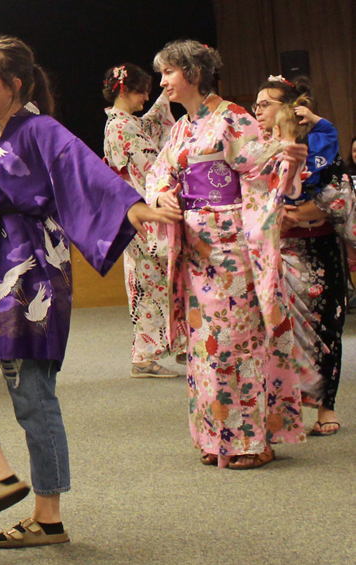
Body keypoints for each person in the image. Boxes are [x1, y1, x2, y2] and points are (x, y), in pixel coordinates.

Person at [0, 35, 181, 549]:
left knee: (34, 397)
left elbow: (86, 172)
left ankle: (48, 517)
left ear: (12, 84)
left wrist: (134, 208)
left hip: (29, 272)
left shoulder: (40, 130)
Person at [146, 39, 308, 469]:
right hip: (195, 250)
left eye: (169, 73)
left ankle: (251, 440)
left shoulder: (232, 119)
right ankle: (216, 436)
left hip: (231, 248)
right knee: (205, 347)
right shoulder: (182, 127)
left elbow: (264, 172)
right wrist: (164, 196)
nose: (163, 83)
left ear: (194, 74)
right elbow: (159, 171)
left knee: (236, 343)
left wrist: (288, 161)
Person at [254, 75, 356, 436]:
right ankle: (281, 409)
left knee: (326, 327)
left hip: (318, 248)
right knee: (273, 332)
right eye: (257, 104)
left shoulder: (316, 145)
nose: (258, 109)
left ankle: (325, 406)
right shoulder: (254, 149)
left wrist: (316, 208)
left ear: (290, 109)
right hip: (275, 250)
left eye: (267, 103)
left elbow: (341, 192)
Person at [103, 63, 185, 378]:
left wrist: (165, 97)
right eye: (141, 91)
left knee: (150, 282)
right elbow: (150, 170)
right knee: (151, 284)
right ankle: (145, 354)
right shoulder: (122, 127)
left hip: (131, 211)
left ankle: (168, 348)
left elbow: (150, 124)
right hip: (138, 212)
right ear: (124, 89)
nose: (146, 97)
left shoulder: (122, 123)